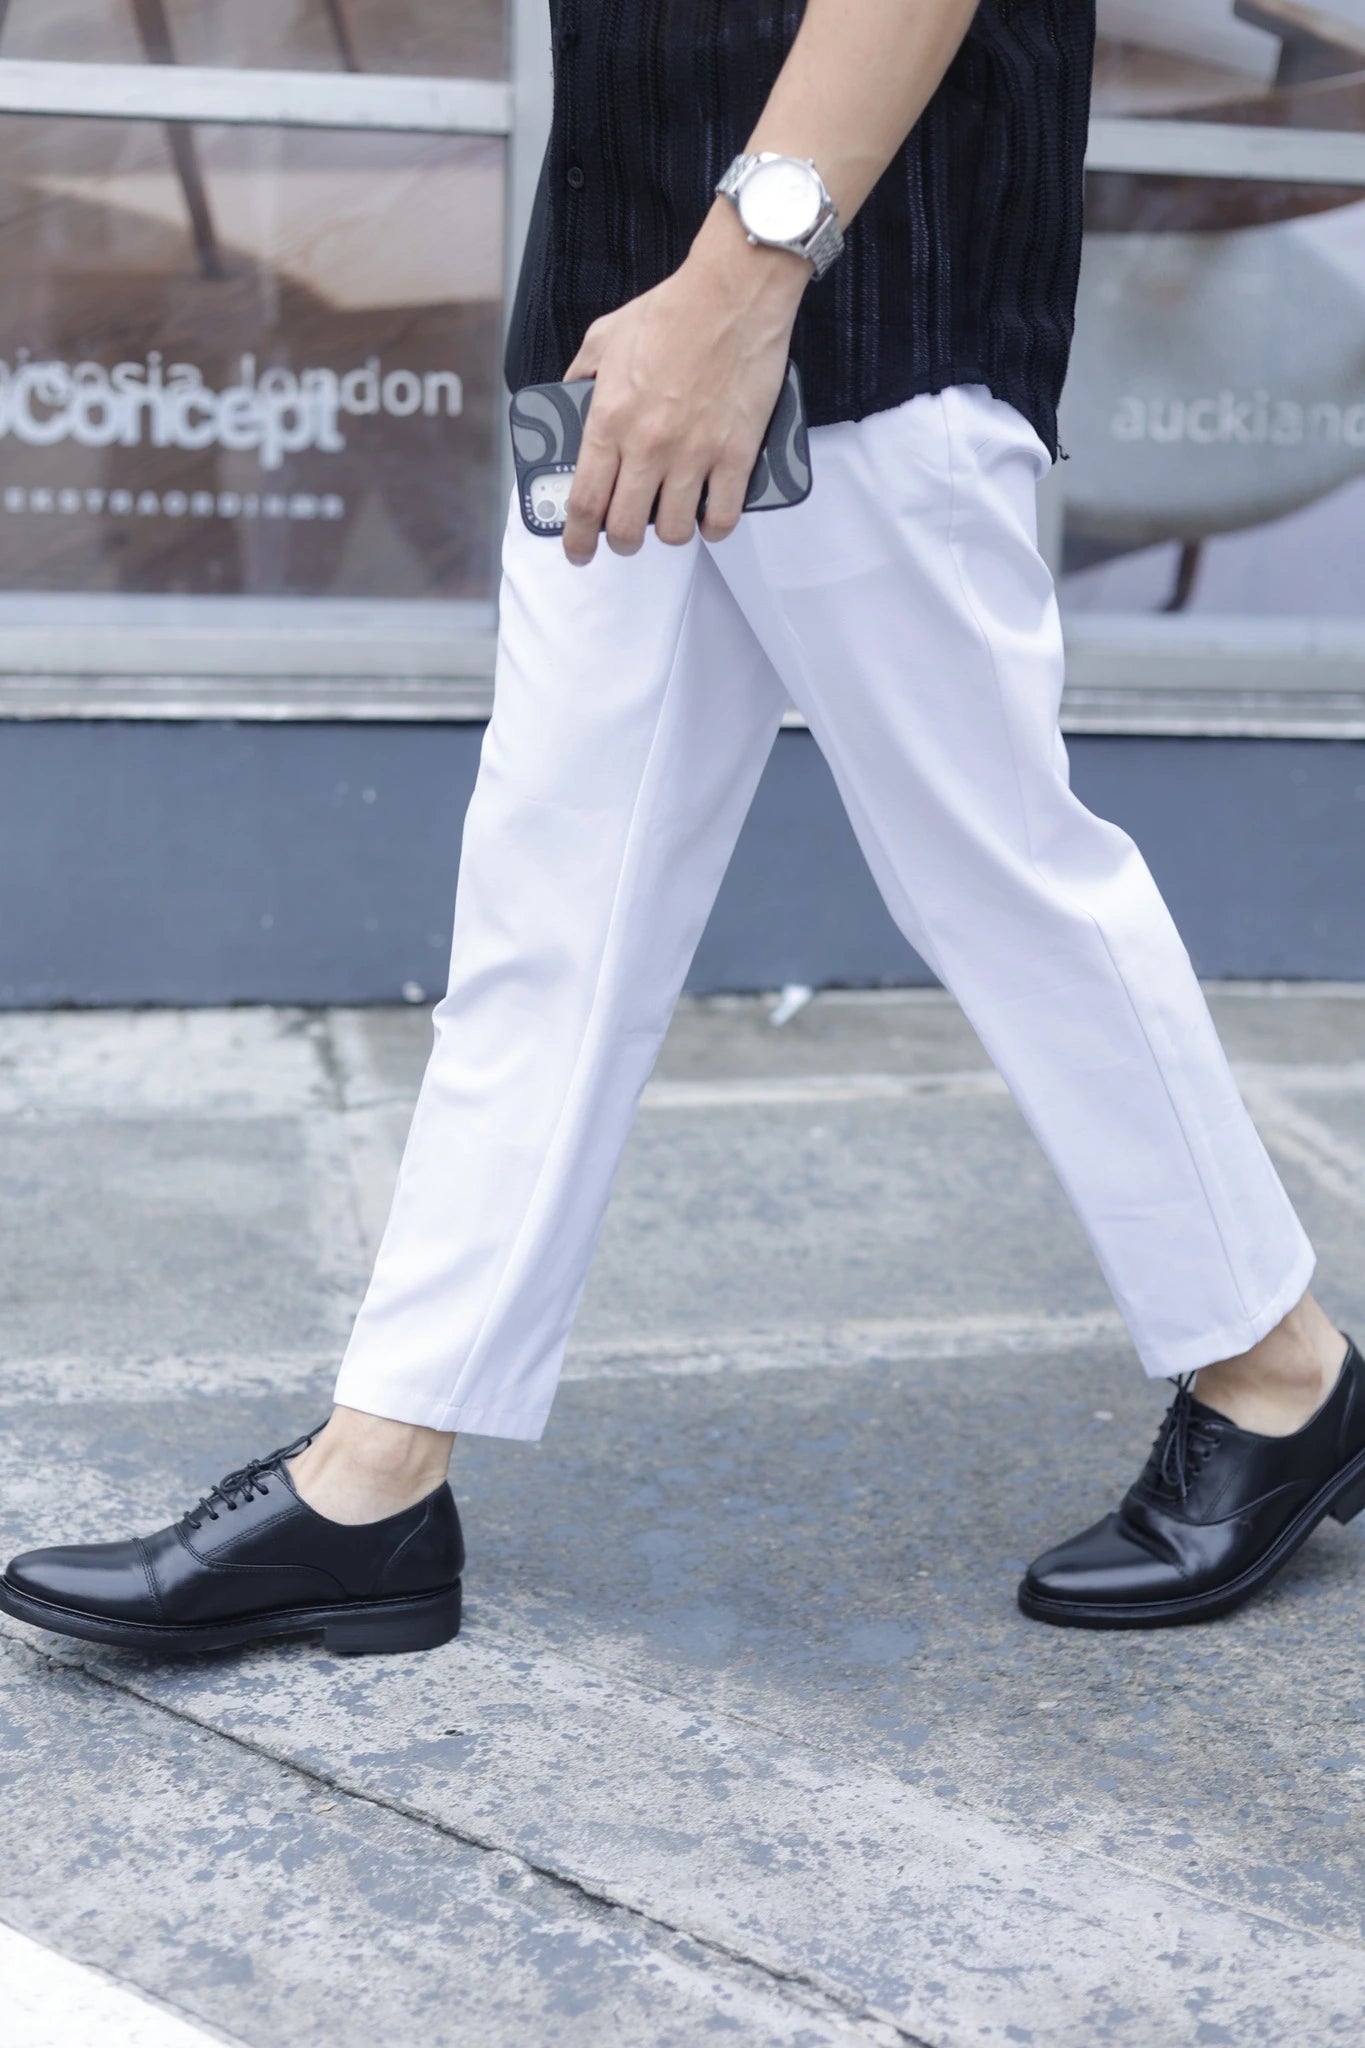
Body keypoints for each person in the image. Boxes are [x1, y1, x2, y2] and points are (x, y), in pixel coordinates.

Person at [4, 0, 1362, 1656]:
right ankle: (375, 1478)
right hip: (625, 326)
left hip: (849, 309)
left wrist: (743, 279)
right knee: (549, 916)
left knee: (998, 879)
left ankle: (1276, 1369)